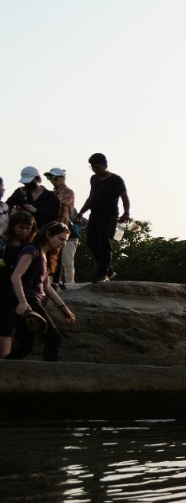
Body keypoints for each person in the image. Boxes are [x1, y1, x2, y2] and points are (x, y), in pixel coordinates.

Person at [6, 222, 76, 362]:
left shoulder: (46, 256)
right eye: (61, 239)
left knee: (24, 348)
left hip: (33, 301)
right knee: (54, 338)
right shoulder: (32, 250)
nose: (63, 243)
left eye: (66, 241)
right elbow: (15, 276)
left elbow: (47, 286)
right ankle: (51, 376)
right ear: (48, 234)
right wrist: (22, 302)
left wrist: (64, 308)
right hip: (28, 302)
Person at [76, 152, 130, 283]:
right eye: (93, 167)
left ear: (105, 165)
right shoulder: (93, 179)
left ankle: (103, 273)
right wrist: (81, 212)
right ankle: (108, 269)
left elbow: (124, 197)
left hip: (109, 216)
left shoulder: (116, 179)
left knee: (104, 243)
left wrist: (126, 213)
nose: (95, 169)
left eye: (97, 167)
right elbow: (91, 197)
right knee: (91, 242)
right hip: (94, 215)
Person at [0, 211, 37, 358]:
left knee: (17, 331)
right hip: (3, 291)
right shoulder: (3, 243)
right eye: (21, 227)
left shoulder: (28, 247)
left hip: (18, 292)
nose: (25, 231)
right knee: (5, 328)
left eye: (28, 228)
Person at [46, 168, 77, 288]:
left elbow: (58, 205)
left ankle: (56, 281)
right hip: (51, 225)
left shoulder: (68, 192)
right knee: (50, 253)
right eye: (50, 178)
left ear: (61, 178)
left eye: (54, 177)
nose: (51, 180)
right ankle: (51, 280)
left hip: (62, 226)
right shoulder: (52, 192)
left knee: (59, 254)